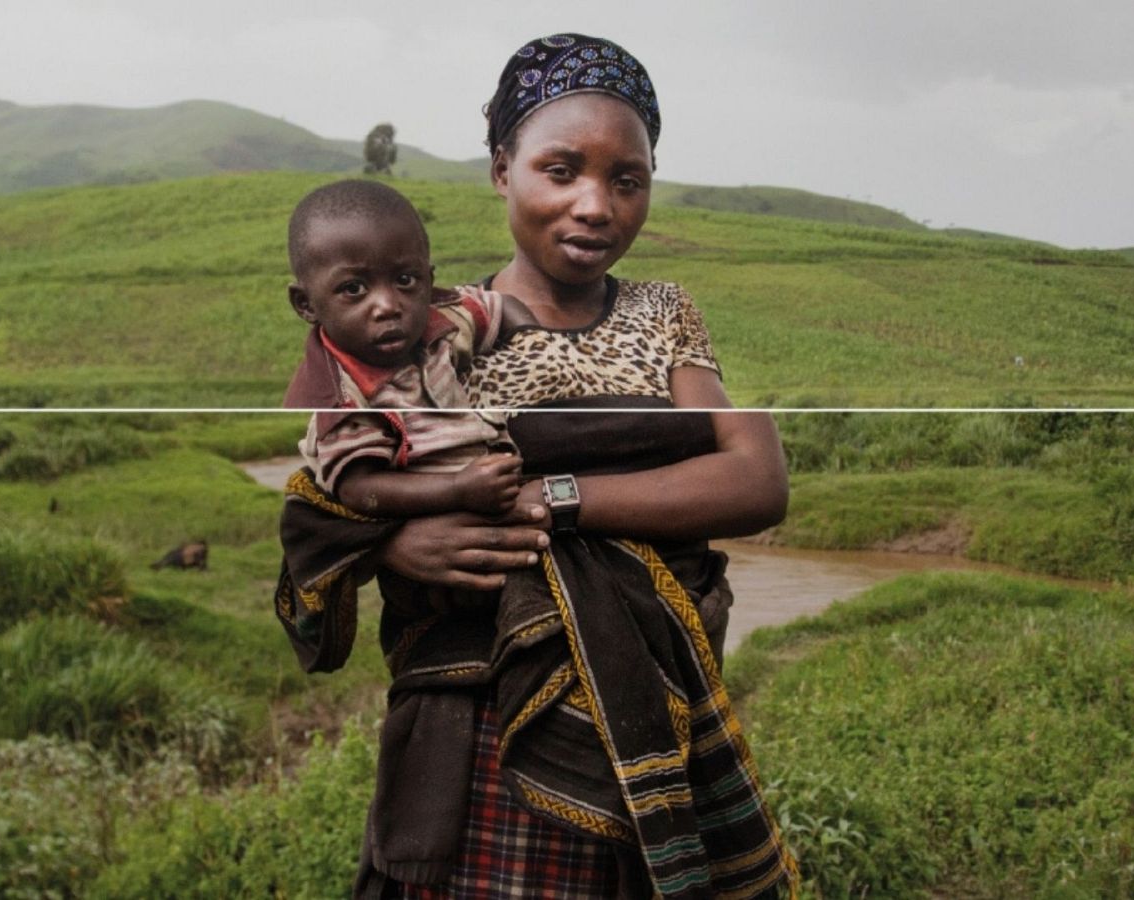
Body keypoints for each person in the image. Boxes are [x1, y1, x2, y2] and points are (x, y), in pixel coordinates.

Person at [275, 33, 798, 899]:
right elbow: (332, 493)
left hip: (643, 719)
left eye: (626, 179)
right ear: (500, 170)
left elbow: (754, 477)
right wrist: (395, 546)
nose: (594, 205)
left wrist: (559, 495)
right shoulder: (423, 328)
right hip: (475, 730)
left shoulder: (664, 313)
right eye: (561, 171)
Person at [282, 178, 535, 519]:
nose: (388, 305)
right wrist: (457, 488)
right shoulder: (343, 399)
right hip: (437, 522)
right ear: (306, 305)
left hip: (500, 483)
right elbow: (360, 489)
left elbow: (504, 307)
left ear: (429, 282)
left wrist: (538, 344)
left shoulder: (441, 317)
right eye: (354, 288)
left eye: (405, 280)